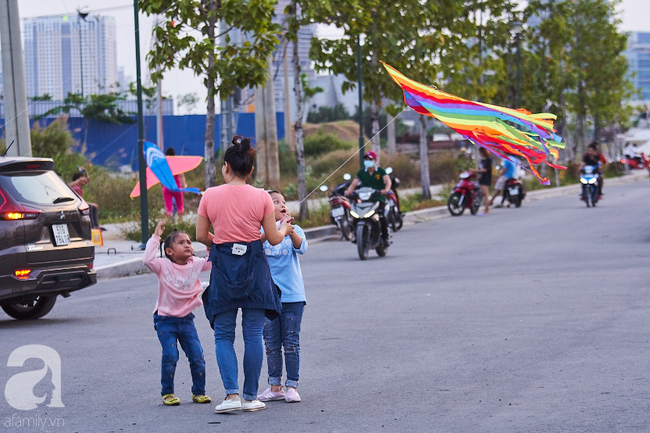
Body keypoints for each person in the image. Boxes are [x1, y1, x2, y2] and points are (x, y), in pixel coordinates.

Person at [196, 135, 293, 414]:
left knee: (223, 334)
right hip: (255, 267)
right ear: (250, 170)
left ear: (226, 167)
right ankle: (251, 396)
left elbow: (202, 236)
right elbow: (273, 239)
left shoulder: (210, 195)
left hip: (224, 268)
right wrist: (284, 228)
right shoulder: (261, 196)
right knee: (252, 334)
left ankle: (231, 395)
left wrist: (226, 243)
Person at [143, 220, 212, 406]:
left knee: (197, 357)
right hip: (165, 319)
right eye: (181, 243)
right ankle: (168, 393)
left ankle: (199, 392)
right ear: (169, 251)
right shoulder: (163, 266)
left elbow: (213, 261)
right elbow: (147, 259)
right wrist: (156, 236)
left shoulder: (195, 263)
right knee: (170, 356)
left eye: (189, 242)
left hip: (187, 320)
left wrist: (209, 243)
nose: (187, 245)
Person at [257, 191, 308, 404]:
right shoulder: (259, 231)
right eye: (275, 202)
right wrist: (274, 230)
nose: (281, 205)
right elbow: (254, 247)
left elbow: (301, 247)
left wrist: (289, 229)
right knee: (271, 343)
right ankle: (275, 386)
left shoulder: (294, 229)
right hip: (268, 297)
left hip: (293, 296)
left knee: (291, 342)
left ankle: (292, 385)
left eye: (283, 202)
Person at [344, 150, 392, 247]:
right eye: (366, 159)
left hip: (378, 198)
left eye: (370, 159)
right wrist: (349, 191)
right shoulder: (362, 172)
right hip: (365, 199)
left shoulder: (380, 171)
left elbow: (388, 181)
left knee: (381, 216)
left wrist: (386, 190)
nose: (368, 161)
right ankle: (355, 234)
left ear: (375, 160)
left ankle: (385, 238)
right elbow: (354, 184)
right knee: (354, 215)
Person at [162, 148, 187, 220]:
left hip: (167, 188)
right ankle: (181, 225)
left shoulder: (164, 164)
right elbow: (181, 176)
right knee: (180, 207)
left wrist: (163, 187)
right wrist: (184, 187)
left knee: (168, 210)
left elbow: (162, 178)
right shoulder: (176, 163)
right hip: (177, 188)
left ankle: (169, 227)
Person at [470, 147, 492, 215]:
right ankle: (486, 209)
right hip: (481, 178)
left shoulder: (488, 160)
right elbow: (481, 169)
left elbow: (485, 170)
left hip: (486, 178)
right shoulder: (482, 161)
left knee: (486, 195)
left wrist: (475, 170)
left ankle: (486, 210)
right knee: (483, 194)